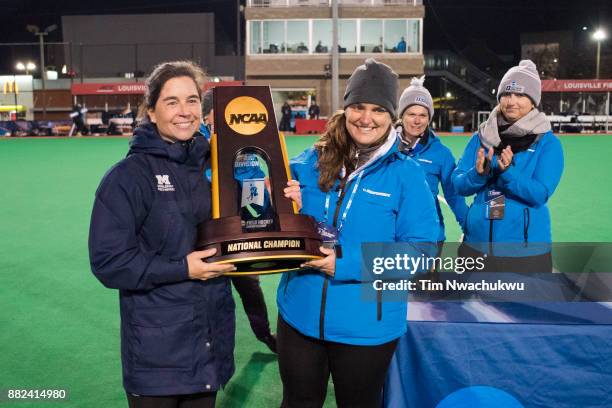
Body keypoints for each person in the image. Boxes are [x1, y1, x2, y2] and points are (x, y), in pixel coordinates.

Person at [277, 58, 439, 407]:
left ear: (391, 115)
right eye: (358, 107)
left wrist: (344, 263)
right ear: (346, 108)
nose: (366, 118)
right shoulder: (312, 159)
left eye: (378, 109)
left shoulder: (407, 175)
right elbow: (262, 193)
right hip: (299, 315)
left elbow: (423, 252)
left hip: (367, 326)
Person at [88, 61, 236, 408]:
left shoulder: (212, 165)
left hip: (209, 347)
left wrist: (284, 200)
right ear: (151, 112)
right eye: (172, 102)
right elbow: (109, 262)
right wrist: (183, 268)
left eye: (192, 100)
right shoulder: (128, 177)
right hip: (157, 360)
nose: (184, 112)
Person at [452, 59, 564, 272]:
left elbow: (539, 194)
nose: (511, 101)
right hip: (475, 245)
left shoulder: (548, 144)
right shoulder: (481, 136)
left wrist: (508, 174)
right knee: (469, 303)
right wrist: (478, 174)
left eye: (520, 95)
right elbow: (458, 184)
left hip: (524, 252)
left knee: (522, 305)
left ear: (533, 101)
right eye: (506, 94)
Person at [199, 89, 278, 352]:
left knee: (250, 285)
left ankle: (265, 334)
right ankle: (206, 346)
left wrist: (263, 214)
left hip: (238, 231)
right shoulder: (192, 142)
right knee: (207, 293)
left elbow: (255, 194)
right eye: (214, 119)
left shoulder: (243, 147)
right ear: (205, 116)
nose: (218, 124)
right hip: (203, 236)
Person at [397, 75, 468, 246]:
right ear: (401, 116)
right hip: (393, 235)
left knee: (428, 274)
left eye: (423, 115)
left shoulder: (441, 153)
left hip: (430, 237)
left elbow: (453, 195)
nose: (417, 120)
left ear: (429, 118)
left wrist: (469, 227)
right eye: (411, 114)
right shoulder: (385, 148)